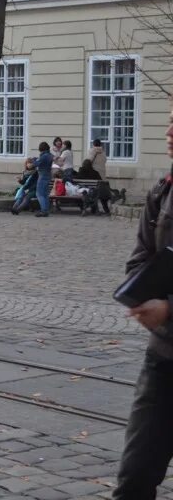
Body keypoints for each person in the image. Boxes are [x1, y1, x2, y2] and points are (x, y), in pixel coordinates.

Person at [113, 106, 173, 500]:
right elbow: (141, 256)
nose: (169, 131)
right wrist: (142, 292)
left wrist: (169, 309)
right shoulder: (164, 189)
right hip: (164, 357)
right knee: (134, 479)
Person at [33, 142, 54, 218]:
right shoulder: (50, 155)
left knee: (39, 194)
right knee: (45, 194)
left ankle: (43, 210)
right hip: (48, 175)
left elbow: (36, 164)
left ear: (41, 148)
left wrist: (34, 159)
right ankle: (46, 210)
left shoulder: (43, 156)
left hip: (42, 175)